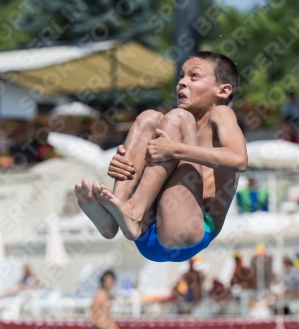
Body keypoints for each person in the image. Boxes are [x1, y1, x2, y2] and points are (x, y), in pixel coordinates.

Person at [74, 51, 247, 262]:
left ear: (223, 90)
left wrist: (173, 149)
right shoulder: (173, 125)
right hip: (147, 227)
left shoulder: (221, 114)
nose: (182, 83)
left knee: (177, 118)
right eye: (181, 76)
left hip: (187, 229)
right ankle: (114, 217)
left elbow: (239, 160)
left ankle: (133, 211)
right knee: (149, 118)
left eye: (194, 76)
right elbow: (157, 160)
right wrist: (125, 166)